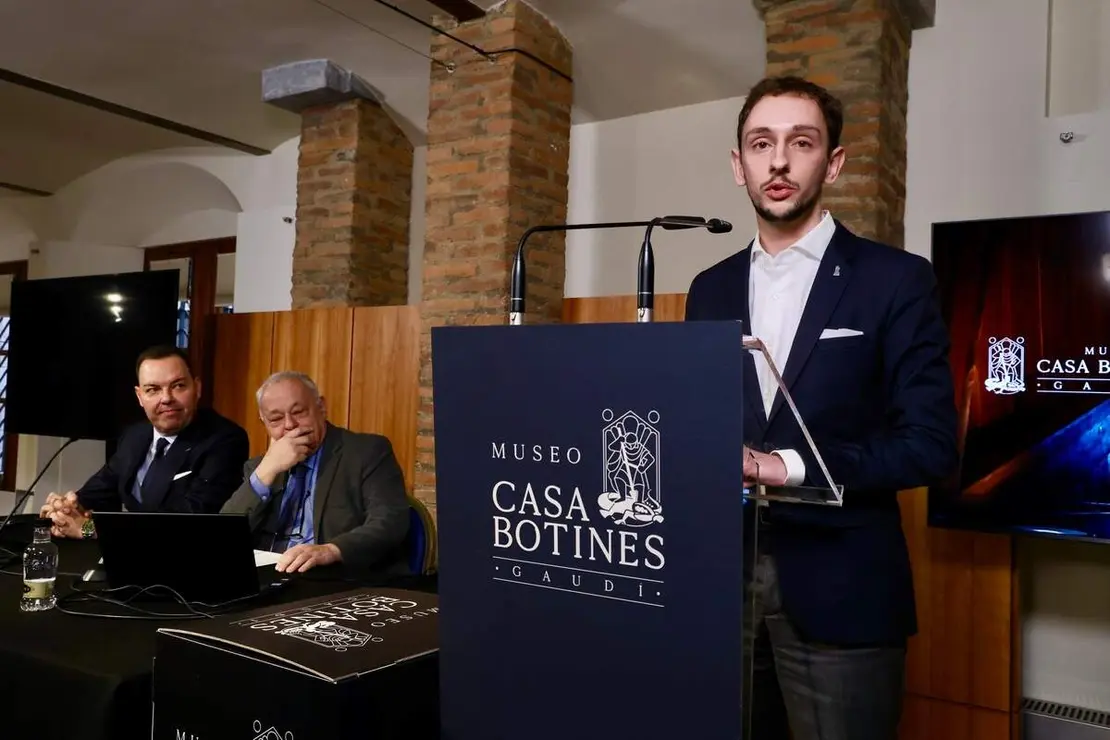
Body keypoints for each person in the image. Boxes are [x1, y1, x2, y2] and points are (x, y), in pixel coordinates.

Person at [684, 76, 958, 739]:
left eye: (800, 143)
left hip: (845, 590)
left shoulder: (897, 279)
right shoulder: (708, 288)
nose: (778, 161)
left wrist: (788, 467)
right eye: (760, 144)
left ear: (832, 162)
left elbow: (930, 442)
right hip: (720, 586)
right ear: (738, 165)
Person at [41, 345, 250, 539]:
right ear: (140, 396)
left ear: (197, 388)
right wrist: (66, 508)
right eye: (153, 389)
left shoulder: (225, 440)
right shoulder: (135, 435)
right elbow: (103, 486)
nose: (166, 398)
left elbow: (190, 520)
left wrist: (88, 529)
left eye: (178, 386)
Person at [221, 371, 410, 575]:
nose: (289, 425)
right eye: (275, 419)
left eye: (299, 412)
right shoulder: (260, 468)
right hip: (269, 579)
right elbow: (222, 536)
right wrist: (267, 470)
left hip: (334, 580)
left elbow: (389, 522)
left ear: (321, 407)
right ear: (264, 423)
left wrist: (330, 550)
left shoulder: (366, 452)